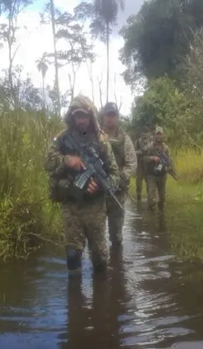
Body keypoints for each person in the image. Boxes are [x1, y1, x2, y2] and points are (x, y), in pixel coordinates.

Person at [44, 95, 120, 274]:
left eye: (85, 116)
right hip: (71, 205)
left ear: (91, 117)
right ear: (72, 117)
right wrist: (67, 160)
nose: (82, 120)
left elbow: (115, 174)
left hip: (95, 208)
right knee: (73, 254)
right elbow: (47, 163)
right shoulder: (62, 138)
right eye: (78, 116)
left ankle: (102, 298)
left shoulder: (101, 142)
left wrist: (101, 186)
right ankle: (75, 298)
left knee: (100, 260)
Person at [99, 102, 137, 246]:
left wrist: (122, 177)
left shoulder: (124, 138)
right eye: (108, 115)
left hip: (118, 192)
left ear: (117, 118)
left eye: (113, 115)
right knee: (96, 236)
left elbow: (132, 163)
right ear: (104, 117)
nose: (110, 118)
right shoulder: (96, 136)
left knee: (116, 236)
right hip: (98, 193)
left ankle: (117, 266)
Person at [143, 126, 174, 211]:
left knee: (162, 198)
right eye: (157, 134)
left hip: (162, 175)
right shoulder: (149, 147)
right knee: (151, 198)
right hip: (151, 174)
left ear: (162, 135)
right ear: (155, 135)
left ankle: (161, 216)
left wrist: (167, 168)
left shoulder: (166, 148)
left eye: (160, 134)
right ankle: (150, 217)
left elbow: (170, 161)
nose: (159, 136)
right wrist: (152, 158)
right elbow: (144, 158)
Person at [134, 129, 152, 201]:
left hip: (148, 164)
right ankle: (139, 195)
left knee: (149, 181)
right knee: (139, 181)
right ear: (141, 134)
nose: (145, 135)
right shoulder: (137, 142)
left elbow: (152, 151)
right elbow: (133, 152)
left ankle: (149, 196)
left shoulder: (150, 142)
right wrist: (141, 152)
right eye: (143, 134)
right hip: (140, 163)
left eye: (146, 134)